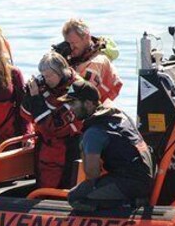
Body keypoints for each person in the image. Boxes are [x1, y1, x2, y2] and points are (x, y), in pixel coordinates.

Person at [61, 80, 153, 211]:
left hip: (131, 183)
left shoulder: (93, 132)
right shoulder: (118, 114)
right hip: (146, 176)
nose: (70, 108)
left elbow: (92, 174)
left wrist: (83, 147)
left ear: (88, 104)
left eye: (73, 103)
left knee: (76, 197)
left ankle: (131, 204)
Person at [22, 52, 82, 189]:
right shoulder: (44, 87)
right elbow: (24, 113)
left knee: (65, 184)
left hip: (71, 147)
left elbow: (53, 128)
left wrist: (37, 99)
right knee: (44, 184)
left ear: (62, 72)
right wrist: (29, 95)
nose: (46, 79)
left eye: (49, 75)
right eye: (43, 76)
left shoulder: (78, 89)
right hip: (45, 148)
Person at [58, 18, 123, 102]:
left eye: (74, 43)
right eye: (68, 43)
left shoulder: (97, 62)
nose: (71, 47)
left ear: (86, 37)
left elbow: (81, 95)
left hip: (91, 108)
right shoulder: (79, 56)